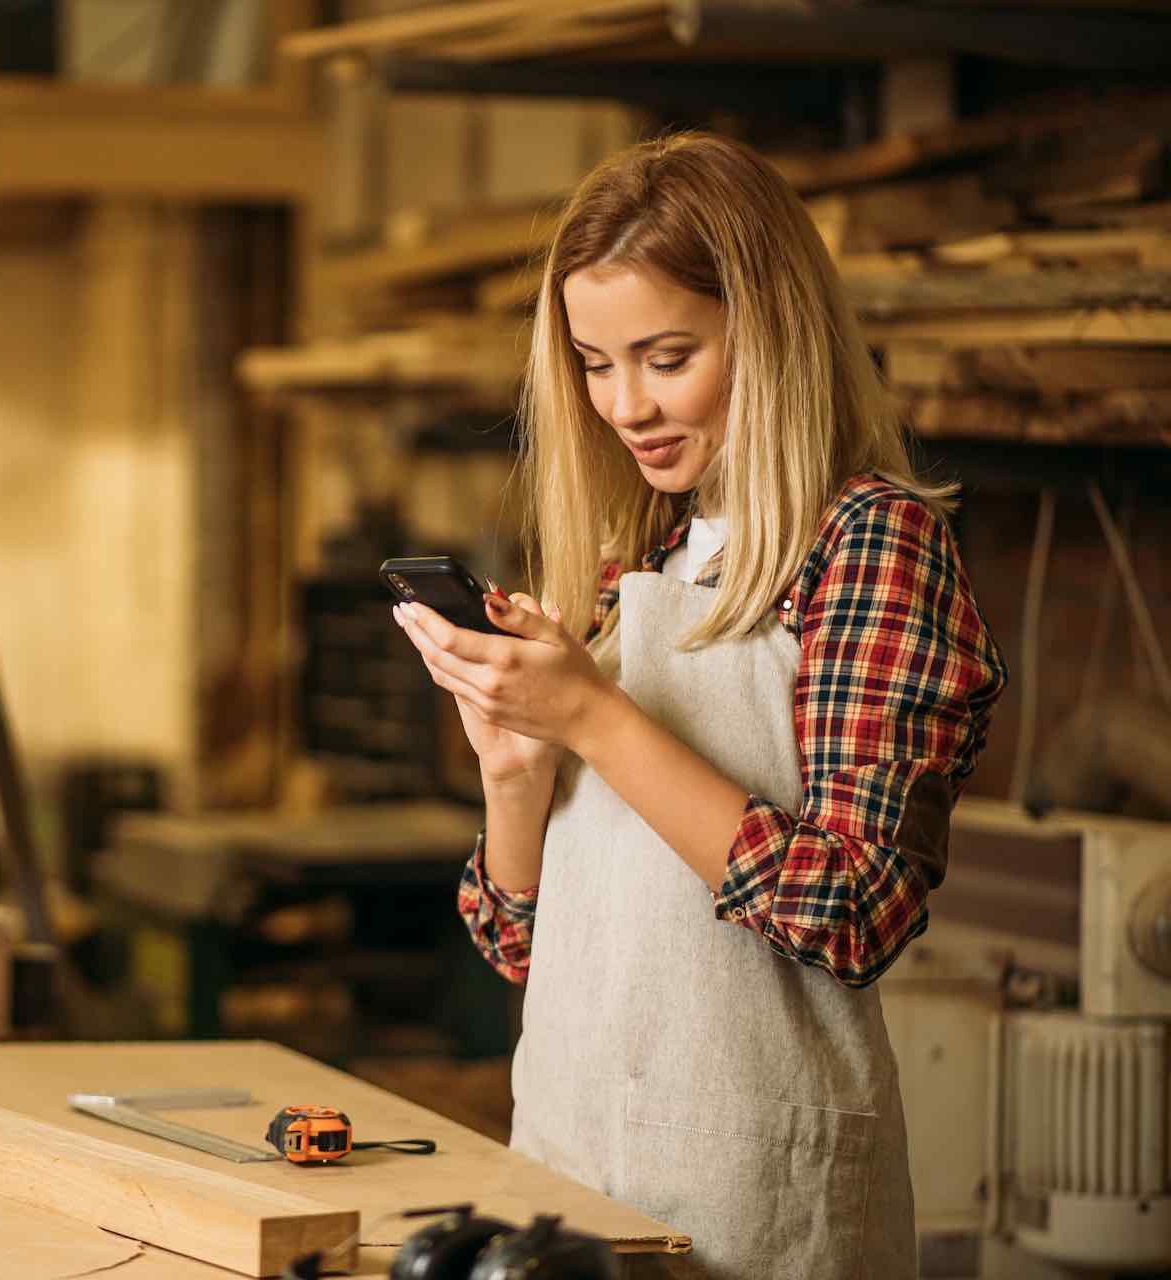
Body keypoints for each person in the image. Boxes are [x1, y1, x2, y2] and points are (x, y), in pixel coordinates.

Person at [392, 131, 1006, 1279]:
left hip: (755, 1198)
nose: (626, 404)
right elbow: (526, 941)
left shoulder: (871, 544)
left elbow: (857, 908)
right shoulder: (638, 555)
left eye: (668, 356)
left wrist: (595, 719)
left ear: (769, 332)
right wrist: (514, 764)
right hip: (567, 1171)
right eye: (594, 362)